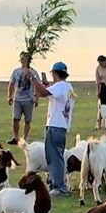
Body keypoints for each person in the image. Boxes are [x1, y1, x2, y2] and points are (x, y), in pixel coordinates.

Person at [30, 62, 75, 196]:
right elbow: (49, 92)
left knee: (53, 158)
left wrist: (33, 78)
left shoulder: (60, 86)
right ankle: (57, 184)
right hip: (61, 127)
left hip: (55, 126)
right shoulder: (67, 87)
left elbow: (43, 93)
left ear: (55, 73)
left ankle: (58, 187)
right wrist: (45, 86)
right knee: (57, 157)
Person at [8, 52, 39, 145]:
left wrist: (36, 98)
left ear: (28, 59)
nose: (22, 60)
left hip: (28, 99)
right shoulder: (16, 71)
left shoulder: (33, 72)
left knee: (27, 120)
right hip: (17, 99)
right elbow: (11, 84)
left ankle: (25, 138)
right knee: (15, 118)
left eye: (24, 58)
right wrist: (9, 96)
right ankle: (16, 137)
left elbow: (37, 86)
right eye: (21, 58)